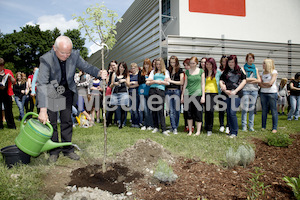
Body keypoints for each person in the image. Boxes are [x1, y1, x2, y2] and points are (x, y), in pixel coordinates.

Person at [37, 36, 107, 162]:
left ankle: (67, 148)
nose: (66, 56)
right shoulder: (46, 59)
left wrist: (99, 72)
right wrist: (42, 110)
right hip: (51, 91)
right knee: (52, 122)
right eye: (63, 53)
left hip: (67, 91)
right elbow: (41, 84)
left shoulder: (74, 55)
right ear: (54, 48)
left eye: (68, 52)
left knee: (67, 120)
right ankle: (53, 150)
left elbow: (87, 67)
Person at [220, 55, 246, 138]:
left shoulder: (240, 70)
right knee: (228, 113)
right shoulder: (226, 71)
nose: (231, 64)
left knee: (232, 112)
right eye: (229, 62)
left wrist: (236, 91)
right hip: (227, 94)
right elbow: (221, 80)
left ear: (235, 62)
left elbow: (244, 81)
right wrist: (223, 88)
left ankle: (235, 132)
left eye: (232, 62)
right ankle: (231, 131)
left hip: (236, 94)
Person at [181, 56, 205, 136]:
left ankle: (198, 131)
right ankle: (190, 130)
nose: (192, 65)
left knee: (198, 113)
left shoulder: (201, 71)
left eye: (193, 63)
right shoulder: (187, 72)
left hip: (197, 94)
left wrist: (203, 96)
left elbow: (203, 84)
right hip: (188, 94)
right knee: (189, 113)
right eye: (190, 63)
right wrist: (182, 95)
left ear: (196, 63)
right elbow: (185, 84)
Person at [146, 57, 170, 136]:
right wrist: (156, 81)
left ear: (162, 64)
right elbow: (147, 82)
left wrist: (159, 82)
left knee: (160, 110)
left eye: (159, 64)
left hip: (161, 92)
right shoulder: (153, 72)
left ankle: (163, 129)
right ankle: (156, 127)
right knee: (154, 109)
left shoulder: (165, 72)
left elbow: (168, 83)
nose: (158, 66)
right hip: (152, 91)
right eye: (157, 64)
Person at [241, 53, 261, 132]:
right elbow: (245, 79)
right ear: (246, 59)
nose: (251, 59)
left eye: (252, 58)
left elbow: (259, 80)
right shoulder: (243, 68)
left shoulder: (255, 69)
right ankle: (244, 126)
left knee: (252, 108)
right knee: (245, 108)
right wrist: (254, 80)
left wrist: (249, 80)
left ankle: (251, 126)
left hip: (254, 90)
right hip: (245, 90)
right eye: (249, 58)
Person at [165, 56, 184, 134]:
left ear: (177, 62)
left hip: (176, 91)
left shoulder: (180, 70)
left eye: (174, 62)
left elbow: (181, 82)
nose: (172, 64)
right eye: (171, 62)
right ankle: (174, 127)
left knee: (177, 110)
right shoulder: (167, 70)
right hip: (168, 91)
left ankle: (175, 126)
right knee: (171, 110)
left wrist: (171, 81)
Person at [259, 59, 278, 133]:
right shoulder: (262, 73)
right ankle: (263, 126)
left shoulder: (274, 72)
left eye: (264, 63)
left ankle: (274, 128)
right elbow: (259, 83)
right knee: (264, 110)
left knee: (273, 110)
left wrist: (264, 84)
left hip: (272, 93)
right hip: (263, 93)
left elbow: (271, 83)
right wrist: (265, 85)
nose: (263, 65)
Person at [204, 58, 221, 136]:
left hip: (214, 94)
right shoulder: (204, 73)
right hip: (205, 93)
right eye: (207, 64)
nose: (208, 66)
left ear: (213, 64)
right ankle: (206, 126)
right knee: (207, 110)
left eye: (210, 64)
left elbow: (222, 81)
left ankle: (210, 129)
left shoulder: (218, 73)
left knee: (210, 110)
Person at [110, 62, 130, 129]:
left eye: (123, 67)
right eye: (120, 67)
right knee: (116, 108)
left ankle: (121, 124)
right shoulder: (114, 74)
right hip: (116, 93)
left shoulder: (126, 75)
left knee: (123, 108)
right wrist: (114, 84)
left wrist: (124, 80)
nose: (121, 68)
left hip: (123, 93)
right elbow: (111, 85)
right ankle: (118, 121)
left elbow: (128, 84)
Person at [0, 58, 16, 129]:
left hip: (7, 93)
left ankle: (11, 125)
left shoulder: (8, 71)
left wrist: (10, 77)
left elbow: (14, 82)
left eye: (2, 65)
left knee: (9, 110)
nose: (1, 67)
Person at [139, 58, 153, 130]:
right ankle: (145, 124)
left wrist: (148, 80)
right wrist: (147, 80)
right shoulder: (141, 72)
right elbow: (139, 81)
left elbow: (153, 80)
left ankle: (150, 124)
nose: (146, 66)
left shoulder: (152, 72)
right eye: (145, 64)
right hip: (142, 92)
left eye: (147, 64)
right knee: (144, 109)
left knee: (150, 109)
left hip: (150, 92)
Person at [218, 55, 229, 134]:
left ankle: (228, 126)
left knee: (229, 110)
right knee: (221, 109)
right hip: (221, 92)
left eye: (225, 61)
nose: (224, 63)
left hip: (229, 92)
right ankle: (221, 125)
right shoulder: (219, 70)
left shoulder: (230, 70)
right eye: (223, 61)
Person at [106, 60, 118, 126]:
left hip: (116, 91)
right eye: (111, 65)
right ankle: (108, 122)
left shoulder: (118, 72)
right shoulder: (110, 73)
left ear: (117, 65)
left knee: (115, 107)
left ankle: (116, 121)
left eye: (113, 65)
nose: (112, 67)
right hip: (110, 91)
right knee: (110, 107)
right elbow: (107, 82)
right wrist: (109, 73)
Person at [128, 63, 141, 128]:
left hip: (136, 93)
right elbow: (127, 84)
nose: (133, 69)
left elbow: (138, 84)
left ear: (136, 68)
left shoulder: (138, 75)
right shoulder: (130, 76)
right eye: (132, 68)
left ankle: (137, 123)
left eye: (134, 68)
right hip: (130, 93)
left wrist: (132, 84)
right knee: (131, 109)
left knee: (135, 108)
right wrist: (132, 83)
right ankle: (133, 122)